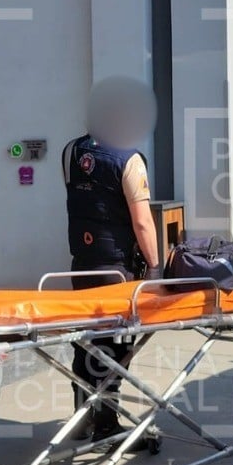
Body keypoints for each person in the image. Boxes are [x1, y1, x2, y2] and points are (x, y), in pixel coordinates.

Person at [61, 132, 161, 448]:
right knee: (115, 347)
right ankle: (107, 425)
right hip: (117, 270)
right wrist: (155, 266)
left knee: (87, 341)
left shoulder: (71, 151)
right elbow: (142, 222)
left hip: (82, 265)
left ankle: (82, 417)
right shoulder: (129, 159)